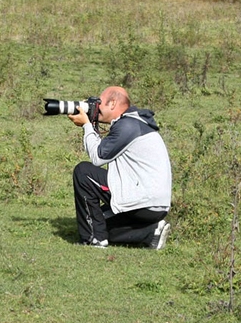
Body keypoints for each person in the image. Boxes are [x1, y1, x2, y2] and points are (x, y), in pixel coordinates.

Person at [68, 86, 172, 249]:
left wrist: (86, 125)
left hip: (142, 200)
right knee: (98, 224)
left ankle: (93, 240)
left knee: (83, 172)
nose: (97, 108)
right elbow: (104, 149)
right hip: (156, 204)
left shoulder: (127, 126)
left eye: (99, 104)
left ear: (113, 103)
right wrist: (91, 121)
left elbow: (97, 157)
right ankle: (150, 233)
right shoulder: (136, 122)